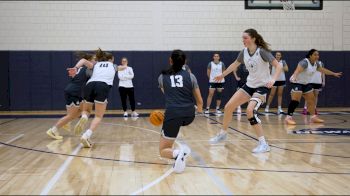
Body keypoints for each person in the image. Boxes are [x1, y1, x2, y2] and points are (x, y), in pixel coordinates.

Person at [209, 28, 283, 153]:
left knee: (250, 111)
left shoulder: (262, 52)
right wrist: (222, 75)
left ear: (253, 38)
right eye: (242, 38)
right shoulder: (244, 52)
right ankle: (223, 134)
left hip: (262, 86)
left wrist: (274, 79)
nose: (243, 40)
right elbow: (234, 65)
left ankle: (263, 144)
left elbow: (278, 65)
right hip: (249, 85)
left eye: (245, 38)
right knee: (228, 107)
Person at [158, 49, 203, 173]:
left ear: (170, 60)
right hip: (189, 115)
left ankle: (178, 153)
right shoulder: (190, 76)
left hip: (173, 114)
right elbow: (199, 101)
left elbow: (167, 94)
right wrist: (198, 111)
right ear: (185, 62)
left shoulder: (162, 77)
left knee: (162, 151)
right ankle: (176, 153)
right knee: (174, 127)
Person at [71, 48, 126, 147]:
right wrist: (124, 66)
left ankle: (84, 117)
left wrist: (76, 68)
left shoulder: (96, 64)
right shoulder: (114, 66)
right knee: (98, 116)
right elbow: (123, 67)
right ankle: (86, 135)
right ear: (111, 59)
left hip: (90, 85)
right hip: (102, 86)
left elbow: (83, 61)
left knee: (87, 110)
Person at [285, 49, 342, 125]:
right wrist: (295, 76)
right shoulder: (304, 62)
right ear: (310, 55)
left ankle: (313, 117)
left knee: (311, 100)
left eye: (318, 55)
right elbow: (297, 71)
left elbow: (323, 70)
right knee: (295, 101)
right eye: (315, 54)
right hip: (297, 82)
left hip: (306, 83)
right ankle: (288, 118)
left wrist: (333, 73)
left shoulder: (316, 64)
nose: (317, 56)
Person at [46, 52, 95, 140]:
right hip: (74, 91)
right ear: (90, 60)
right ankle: (53, 130)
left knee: (82, 109)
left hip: (72, 90)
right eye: (94, 59)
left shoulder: (82, 68)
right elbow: (83, 60)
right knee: (71, 115)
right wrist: (76, 67)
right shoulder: (89, 67)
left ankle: (66, 122)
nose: (96, 61)